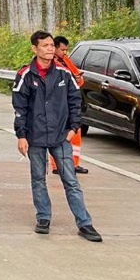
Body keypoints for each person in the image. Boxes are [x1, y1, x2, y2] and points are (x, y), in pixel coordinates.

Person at [13, 31, 102, 242]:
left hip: (61, 137)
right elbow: (20, 107)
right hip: (35, 137)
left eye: (52, 45)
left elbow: (75, 102)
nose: (51, 49)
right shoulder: (25, 75)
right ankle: (43, 217)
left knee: (71, 181)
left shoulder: (64, 73)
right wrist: (21, 135)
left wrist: (73, 129)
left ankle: (85, 223)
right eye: (45, 45)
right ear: (34, 49)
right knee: (38, 179)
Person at [51, 35, 88, 175]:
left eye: (66, 50)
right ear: (54, 48)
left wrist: (77, 78)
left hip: (70, 103)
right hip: (58, 104)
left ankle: (74, 163)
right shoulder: (51, 64)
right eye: (62, 50)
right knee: (57, 135)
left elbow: (79, 80)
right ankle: (56, 165)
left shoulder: (66, 61)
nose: (65, 53)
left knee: (76, 133)